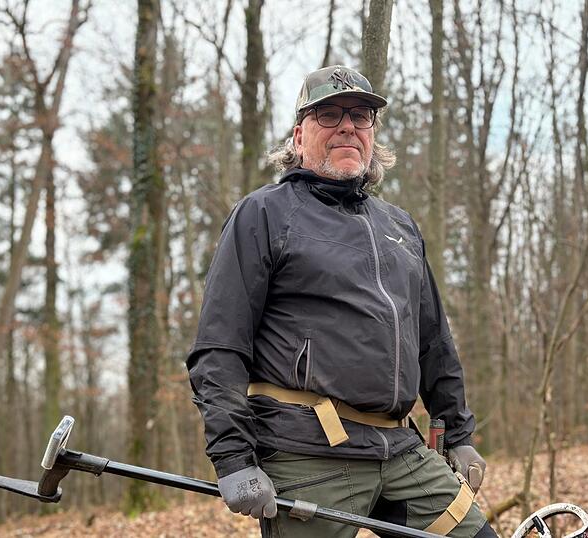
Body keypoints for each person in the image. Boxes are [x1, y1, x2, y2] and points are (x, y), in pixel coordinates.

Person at [187, 65, 497, 538]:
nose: (347, 126)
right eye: (328, 115)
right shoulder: (264, 214)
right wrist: (232, 458)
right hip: (307, 454)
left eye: (360, 116)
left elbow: (433, 342)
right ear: (298, 135)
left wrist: (457, 432)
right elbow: (219, 345)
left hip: (401, 450)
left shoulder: (400, 227)